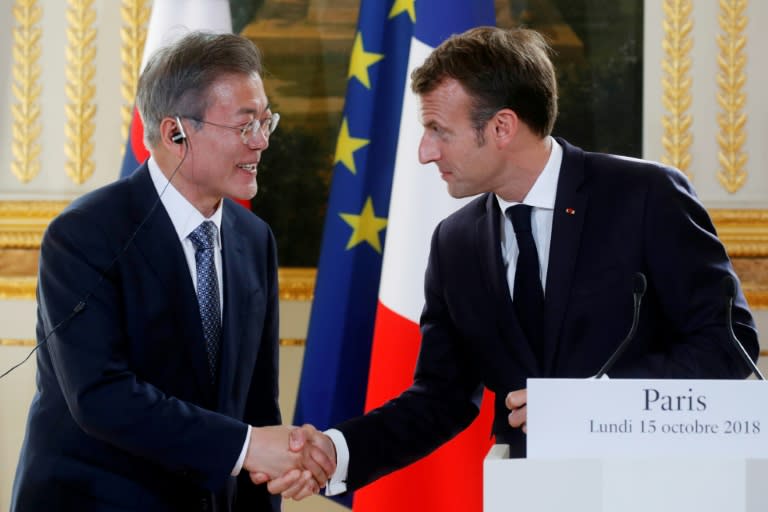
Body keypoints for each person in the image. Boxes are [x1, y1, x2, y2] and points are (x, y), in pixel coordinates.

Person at [266, 26, 761, 498]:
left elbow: (729, 342)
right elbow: (442, 398)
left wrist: (600, 405)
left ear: (502, 126)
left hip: (660, 487)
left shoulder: (645, 195)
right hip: (529, 495)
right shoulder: (454, 243)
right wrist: (337, 450)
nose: (424, 152)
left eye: (439, 130)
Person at [11, 32, 332, 511]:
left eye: (266, 121)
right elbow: (101, 396)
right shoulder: (83, 234)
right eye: (245, 126)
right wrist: (246, 447)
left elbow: (257, 407)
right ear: (174, 132)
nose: (262, 142)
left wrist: (267, 466)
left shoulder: (253, 237)